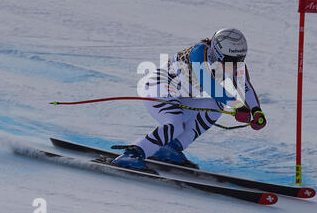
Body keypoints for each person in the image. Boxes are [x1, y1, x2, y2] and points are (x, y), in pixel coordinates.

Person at [112, 28, 266, 172]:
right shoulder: (199, 53)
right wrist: (237, 105)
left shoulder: (234, 64)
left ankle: (170, 148)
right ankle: (132, 154)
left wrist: (256, 111)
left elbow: (245, 87)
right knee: (175, 123)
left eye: (239, 59)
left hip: (181, 95)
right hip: (158, 87)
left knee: (216, 104)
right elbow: (208, 83)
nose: (234, 64)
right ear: (217, 52)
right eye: (230, 59)